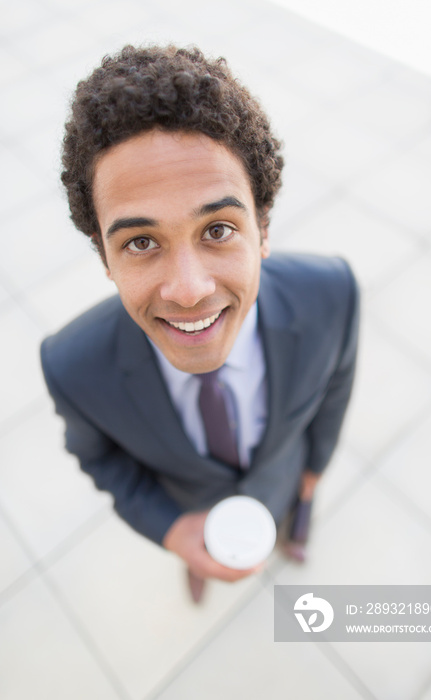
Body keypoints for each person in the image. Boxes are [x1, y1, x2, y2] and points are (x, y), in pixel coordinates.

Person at [40, 44, 359, 603]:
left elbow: (334, 388)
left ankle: (297, 517)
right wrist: (171, 528)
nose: (189, 290)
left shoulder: (331, 294)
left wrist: (312, 474)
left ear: (262, 228)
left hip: (283, 481)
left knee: (292, 510)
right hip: (192, 506)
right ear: (105, 260)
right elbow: (100, 459)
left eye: (217, 229)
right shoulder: (72, 365)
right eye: (141, 242)